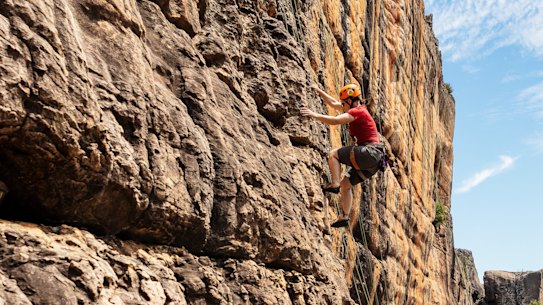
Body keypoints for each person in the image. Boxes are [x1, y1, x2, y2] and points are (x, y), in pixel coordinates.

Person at [301, 83, 384, 228]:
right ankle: (344, 216)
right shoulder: (356, 109)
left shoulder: (357, 112)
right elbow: (333, 104)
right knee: (347, 185)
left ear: (350, 101)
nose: (342, 105)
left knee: (333, 155)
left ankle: (334, 183)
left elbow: (335, 121)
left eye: (344, 103)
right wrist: (319, 90)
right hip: (374, 161)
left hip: (369, 152)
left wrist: (313, 115)